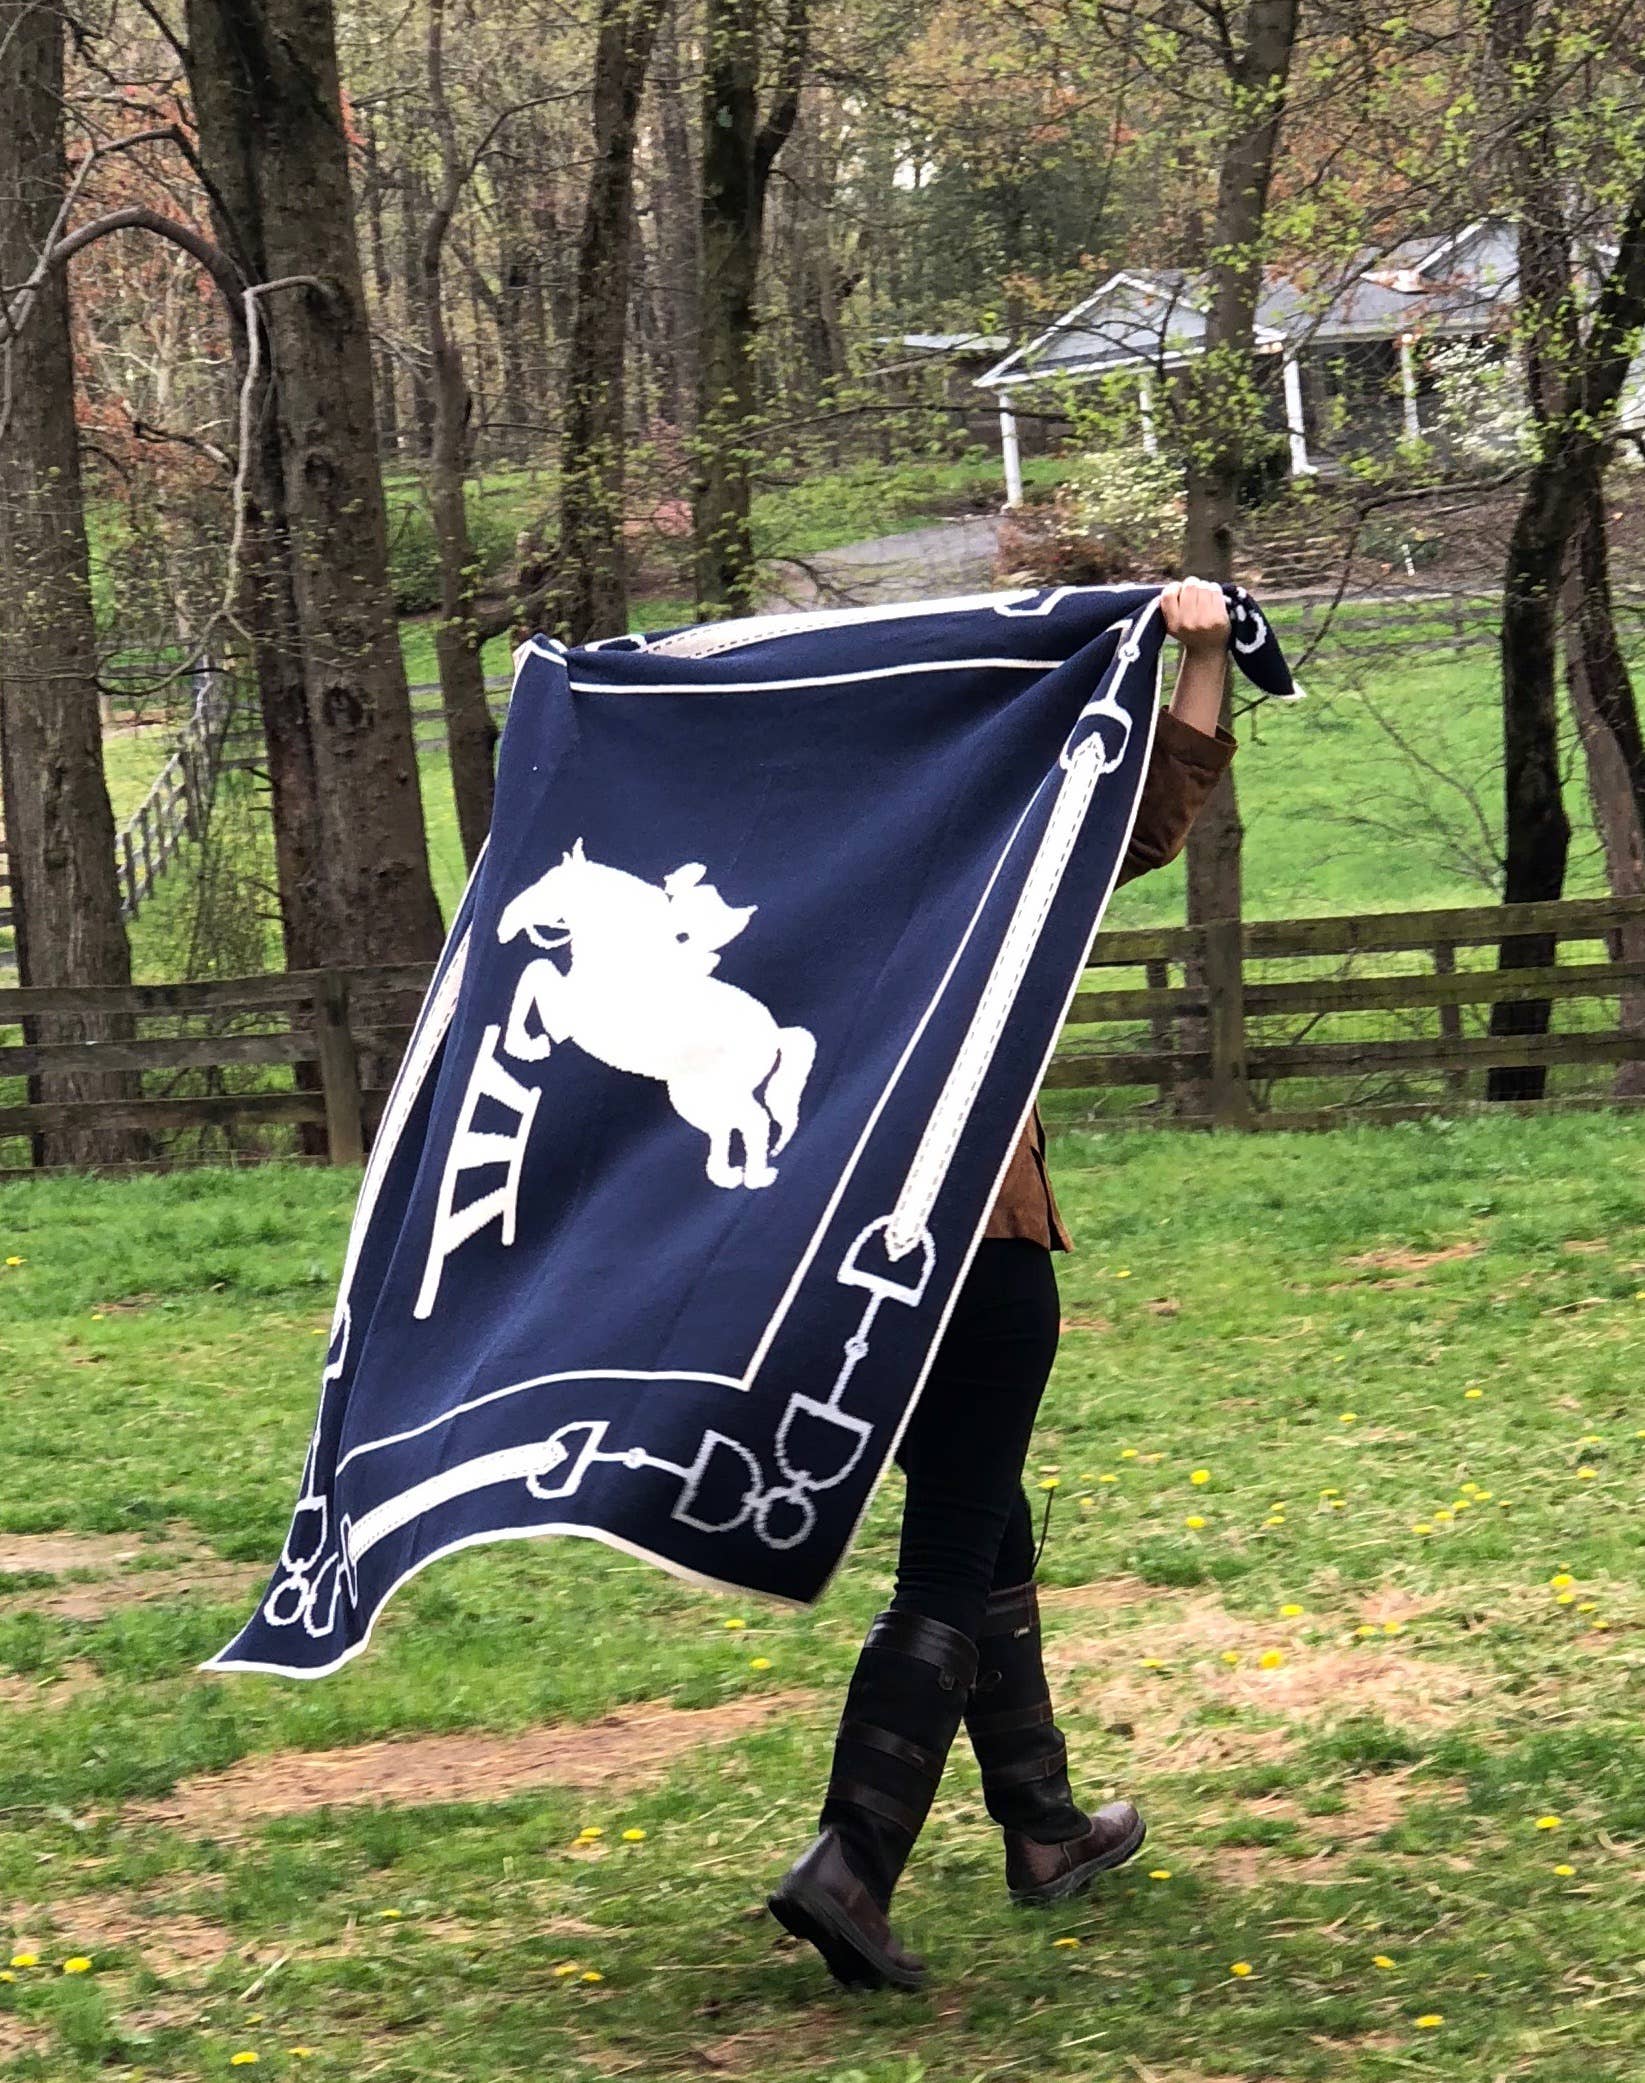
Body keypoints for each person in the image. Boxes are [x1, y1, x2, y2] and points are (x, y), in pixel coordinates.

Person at [767, 577, 1237, 1991]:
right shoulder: (997, 872)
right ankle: (851, 1862)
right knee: (952, 1550)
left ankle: (1042, 1827)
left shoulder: (792, 883)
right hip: (973, 1251)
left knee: (986, 1519)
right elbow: (1141, 823)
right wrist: (1201, 658)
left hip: (826, 1270)